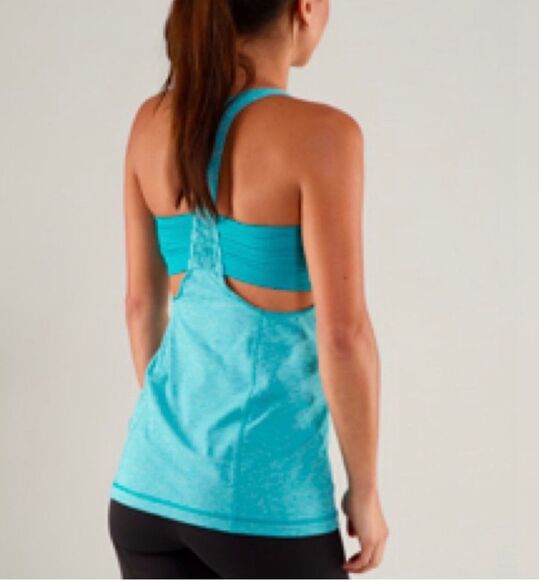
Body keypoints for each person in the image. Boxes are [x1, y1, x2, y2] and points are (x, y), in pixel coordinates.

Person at [107, 0, 388, 577]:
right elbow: (343, 335)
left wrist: (183, 448)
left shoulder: (150, 122)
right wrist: (364, 490)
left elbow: (140, 307)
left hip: (146, 490)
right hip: (263, 511)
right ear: (304, 6)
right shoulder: (323, 136)